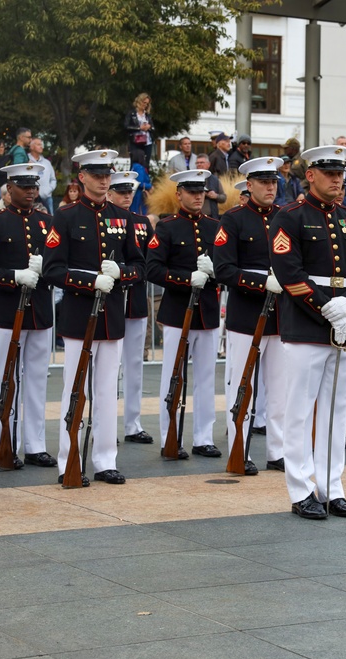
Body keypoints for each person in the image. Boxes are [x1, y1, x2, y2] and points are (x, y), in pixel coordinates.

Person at [268, 145, 346, 519]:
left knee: (335, 411)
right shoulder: (289, 217)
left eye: (342, 173)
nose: (338, 179)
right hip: (306, 325)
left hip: (345, 323)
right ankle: (300, 491)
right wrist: (325, 307)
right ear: (310, 175)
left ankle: (332, 487)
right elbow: (288, 274)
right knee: (298, 411)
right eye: (330, 173)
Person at [44, 150, 143, 486]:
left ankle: (104, 459)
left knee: (105, 391)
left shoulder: (123, 217)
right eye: (97, 175)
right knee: (75, 390)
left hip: (111, 316)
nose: (104, 180)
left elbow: (140, 266)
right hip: (77, 316)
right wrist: (89, 281)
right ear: (82, 177)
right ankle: (68, 459)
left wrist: (122, 273)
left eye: (108, 175)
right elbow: (53, 268)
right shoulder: (66, 216)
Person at [0, 162, 57, 471]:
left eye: (34, 186)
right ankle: (4, 443)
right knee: (7, 380)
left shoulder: (48, 222)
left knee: (36, 382)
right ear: (9, 188)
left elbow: (59, 264)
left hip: (41, 312)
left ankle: (35, 445)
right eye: (25, 186)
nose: (31, 191)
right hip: (8, 313)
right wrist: (13, 276)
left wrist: (47, 271)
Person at [214, 156, 287, 475]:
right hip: (246, 315)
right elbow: (224, 269)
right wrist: (260, 282)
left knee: (280, 388)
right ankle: (238, 448)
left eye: (274, 182)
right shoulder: (233, 220)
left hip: (282, 316)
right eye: (264, 182)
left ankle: (278, 450)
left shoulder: (286, 218)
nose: (270, 187)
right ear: (250, 185)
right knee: (242, 386)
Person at [146, 169, 220, 460]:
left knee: (205, 377)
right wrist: (186, 278)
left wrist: (214, 274)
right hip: (178, 311)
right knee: (172, 376)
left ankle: (203, 437)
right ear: (179, 194)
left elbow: (225, 266)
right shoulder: (166, 227)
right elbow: (153, 269)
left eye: (201, 191)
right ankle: (170, 436)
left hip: (208, 313)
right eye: (191, 191)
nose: (198, 196)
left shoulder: (215, 226)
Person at [108, 171, 155, 445]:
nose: (127, 196)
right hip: (110, 300)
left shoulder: (141, 223)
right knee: (107, 367)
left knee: (134, 365)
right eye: (121, 192)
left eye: (130, 192)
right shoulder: (103, 220)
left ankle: (132, 423)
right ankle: (106, 424)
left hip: (134, 299)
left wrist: (127, 273)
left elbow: (148, 261)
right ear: (110, 193)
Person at [125, 93, 154, 170]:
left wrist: (149, 127)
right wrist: (139, 128)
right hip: (135, 141)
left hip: (147, 142)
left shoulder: (147, 115)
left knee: (146, 163)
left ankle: (145, 180)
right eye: (144, 103)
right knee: (135, 162)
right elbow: (126, 126)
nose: (145, 105)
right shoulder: (132, 113)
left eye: (147, 104)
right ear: (139, 101)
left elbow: (153, 127)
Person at [28, 138, 57, 213]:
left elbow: (53, 179)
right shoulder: (26, 160)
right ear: (31, 147)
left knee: (50, 220)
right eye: (38, 144)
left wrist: (48, 190)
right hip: (31, 198)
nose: (41, 147)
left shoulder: (47, 162)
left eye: (42, 145)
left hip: (47, 197)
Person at [196, 154, 226, 218]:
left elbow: (223, 197)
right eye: (197, 163)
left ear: (208, 164)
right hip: (196, 215)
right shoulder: (192, 178)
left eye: (201, 162)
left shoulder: (215, 180)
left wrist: (216, 196)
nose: (199, 164)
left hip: (213, 216)